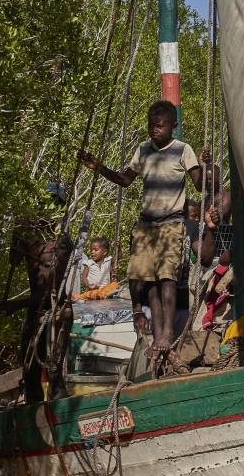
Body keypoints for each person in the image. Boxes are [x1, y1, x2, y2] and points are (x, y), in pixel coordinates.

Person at [77, 101, 208, 372]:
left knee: (168, 278)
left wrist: (206, 167)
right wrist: (98, 167)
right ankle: (155, 331)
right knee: (146, 282)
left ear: (173, 126)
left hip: (171, 223)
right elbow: (126, 179)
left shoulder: (183, 150)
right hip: (147, 225)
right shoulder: (144, 150)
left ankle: (165, 335)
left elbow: (199, 182)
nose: (154, 131)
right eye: (150, 126)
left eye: (159, 126)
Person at [0, 182, 74, 403]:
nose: (45, 209)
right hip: (34, 311)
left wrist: (15, 305)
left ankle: (58, 422)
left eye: (52, 204)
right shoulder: (29, 238)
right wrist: (16, 235)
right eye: (43, 204)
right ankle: (31, 421)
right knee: (29, 370)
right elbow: (13, 260)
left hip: (56, 311)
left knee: (54, 374)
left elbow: (47, 293)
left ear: (59, 209)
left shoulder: (61, 244)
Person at [73, 236, 117, 300]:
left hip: (105, 289)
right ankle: (76, 297)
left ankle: (101, 295)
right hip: (92, 290)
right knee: (89, 295)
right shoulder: (88, 263)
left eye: (95, 250)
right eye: (91, 250)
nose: (92, 252)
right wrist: (89, 285)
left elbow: (118, 257)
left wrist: (118, 247)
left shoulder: (108, 260)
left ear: (104, 252)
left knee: (114, 285)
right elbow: (84, 277)